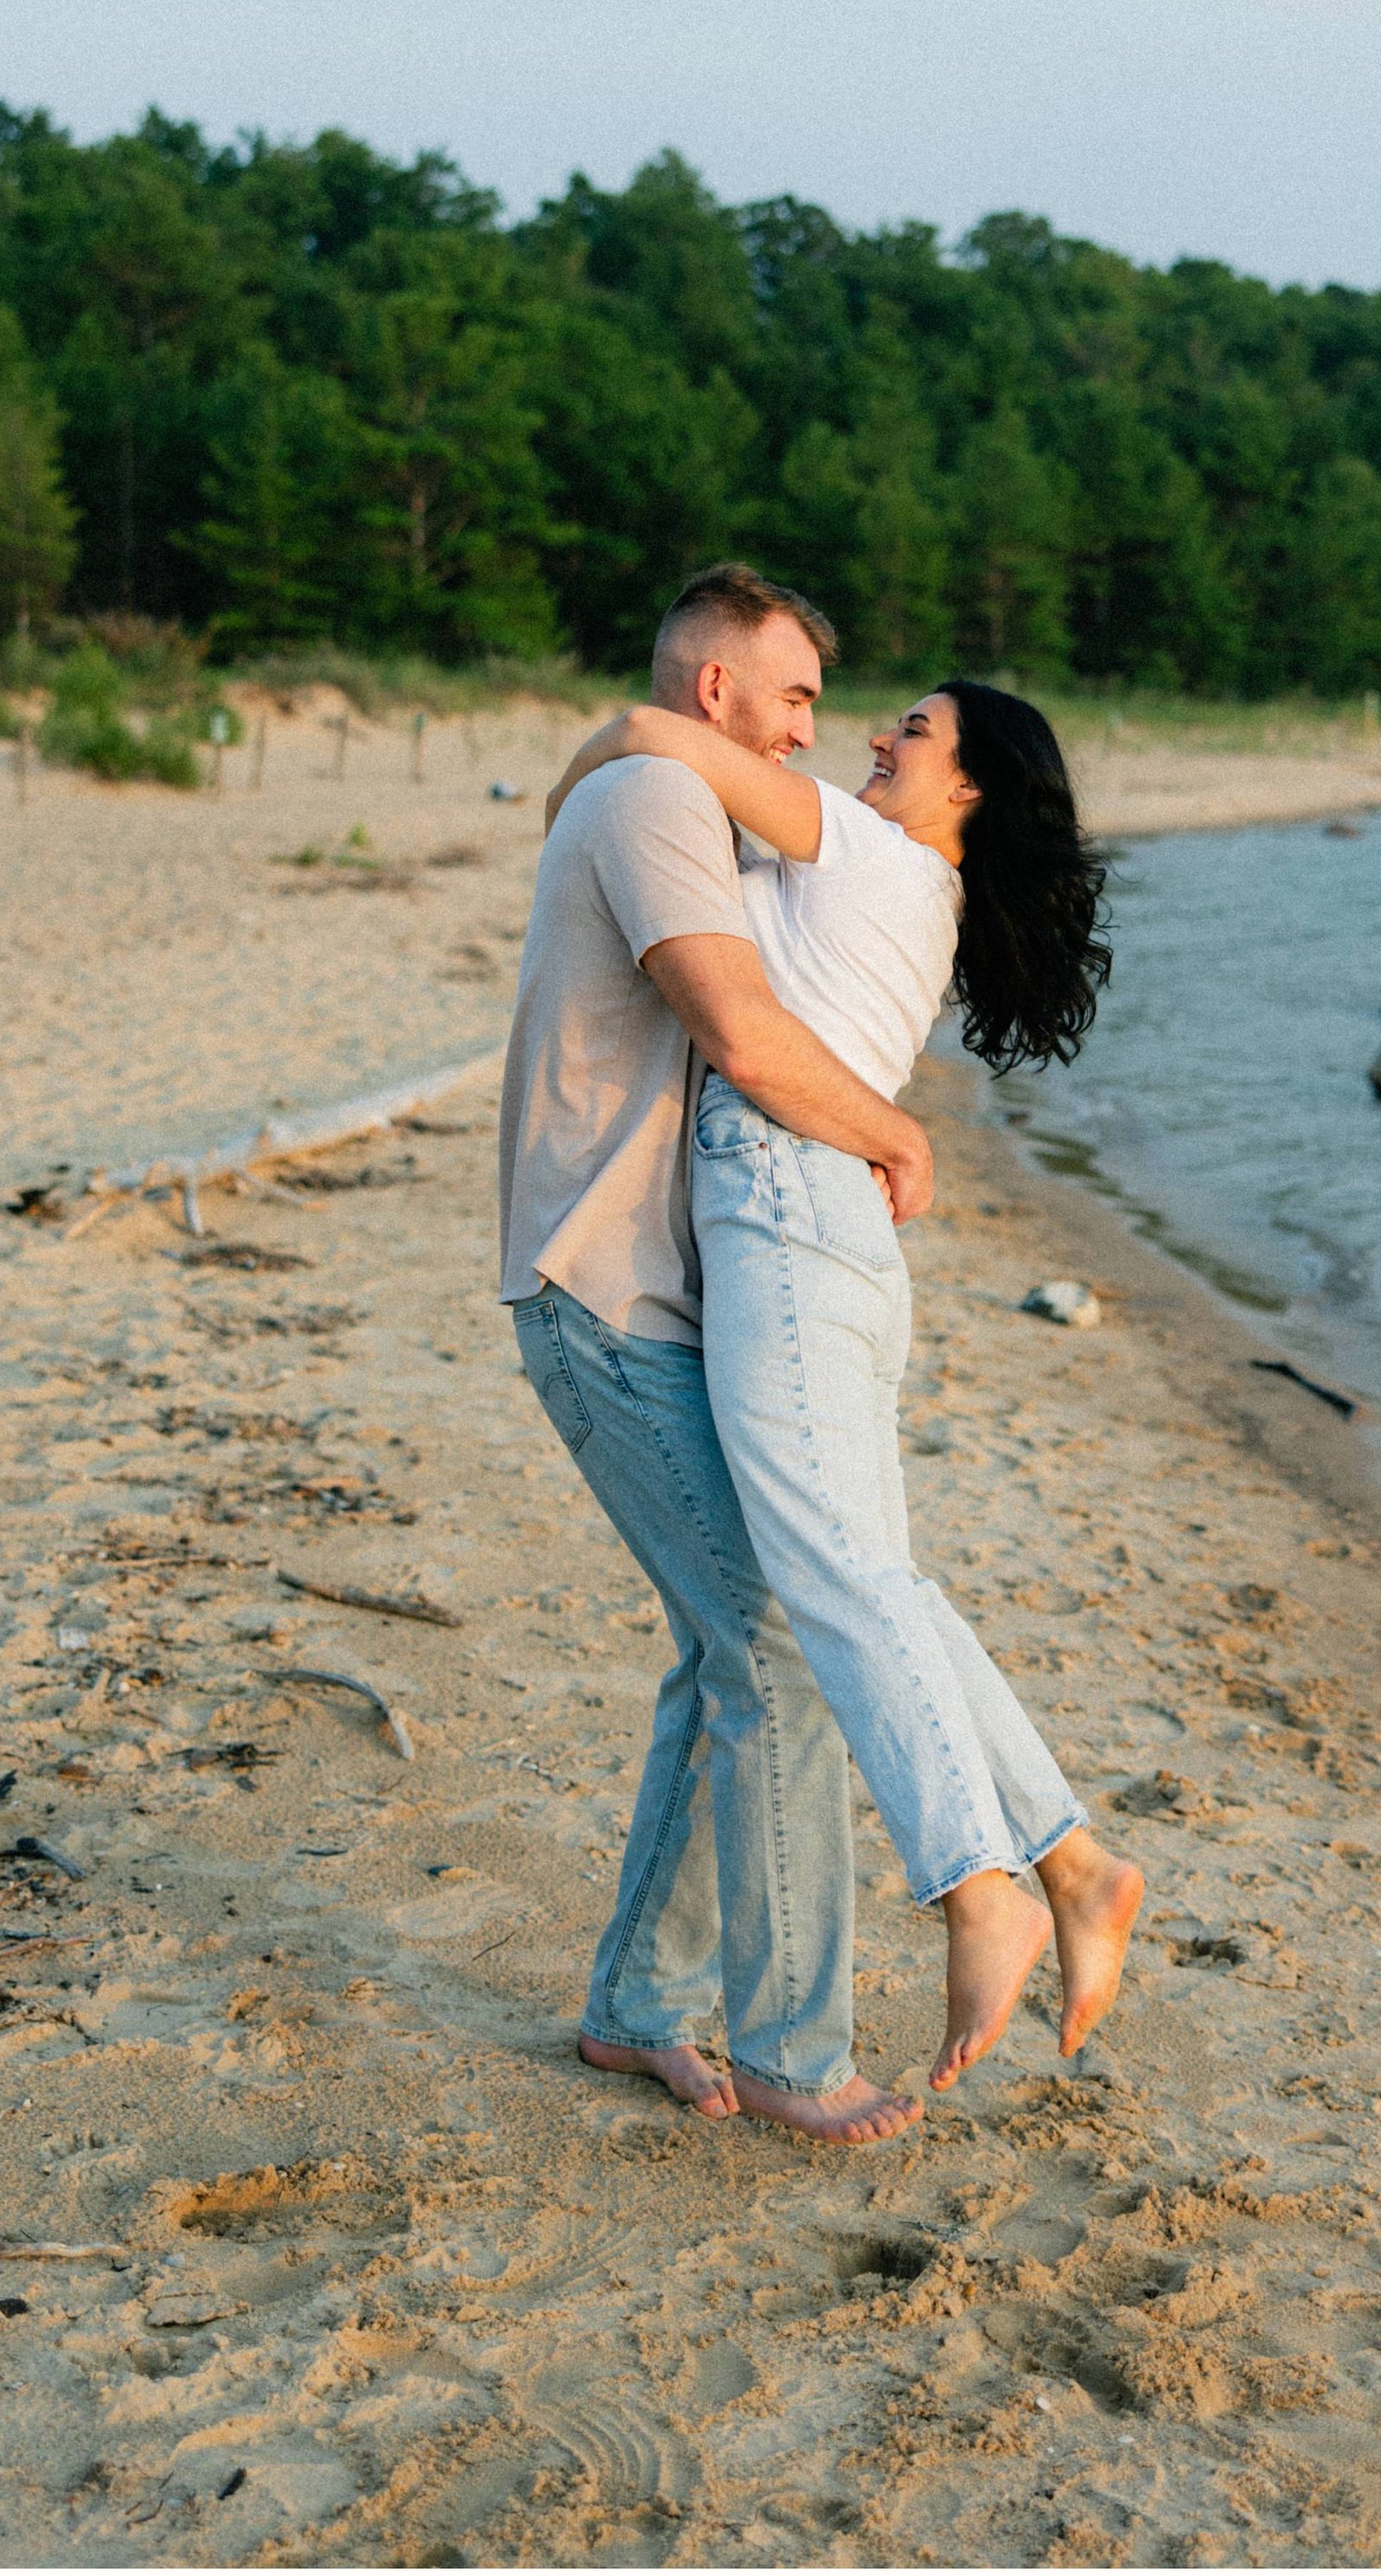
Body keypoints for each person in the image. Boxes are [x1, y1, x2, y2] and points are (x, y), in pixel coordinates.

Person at [547, 676, 1146, 2093]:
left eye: (915, 732)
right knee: (885, 1579)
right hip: (840, 1240)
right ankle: (1073, 1859)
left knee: (834, 1579)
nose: (878, 736)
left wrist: (577, 787)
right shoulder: (919, 901)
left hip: (787, 1215)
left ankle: (974, 1881)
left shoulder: (869, 849)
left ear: (971, 790)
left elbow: (650, 735)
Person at [498, 563, 935, 2143]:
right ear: (716, 695)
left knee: (721, 1649)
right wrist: (896, 1135)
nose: (814, 728)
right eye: (799, 696)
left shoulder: (671, 793)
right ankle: (795, 2052)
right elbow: (745, 1037)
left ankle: (634, 2006)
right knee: (780, 1649)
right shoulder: (654, 811)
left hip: (640, 1299)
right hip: (603, 1294)